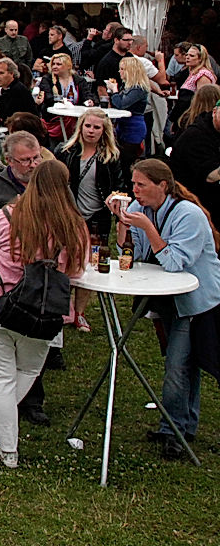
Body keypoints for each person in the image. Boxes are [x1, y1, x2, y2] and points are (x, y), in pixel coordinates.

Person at [0, 161, 89, 469]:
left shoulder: (9, 215)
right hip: (42, 310)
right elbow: (76, 271)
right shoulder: (74, 226)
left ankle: (6, 448)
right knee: (27, 371)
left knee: (0, 377)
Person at [113, 159, 220, 459]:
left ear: (162, 185)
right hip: (168, 298)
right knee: (184, 363)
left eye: (141, 185)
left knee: (177, 366)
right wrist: (123, 223)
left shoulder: (189, 215)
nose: (135, 191)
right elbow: (133, 255)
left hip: (195, 299)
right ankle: (181, 426)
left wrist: (147, 227)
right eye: (133, 184)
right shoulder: (141, 207)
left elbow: (174, 262)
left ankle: (174, 431)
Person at [55, 108, 123, 331]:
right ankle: (61, 308)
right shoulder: (66, 151)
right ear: (80, 127)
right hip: (69, 216)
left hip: (97, 217)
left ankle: (80, 312)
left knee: (91, 265)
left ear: (104, 131)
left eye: (96, 127)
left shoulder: (110, 156)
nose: (91, 131)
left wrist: (114, 198)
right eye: (88, 126)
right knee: (64, 262)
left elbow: (118, 185)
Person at [168, 84, 220, 224]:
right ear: (214, 111)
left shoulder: (211, 129)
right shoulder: (196, 135)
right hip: (194, 202)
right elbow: (211, 176)